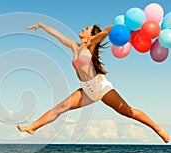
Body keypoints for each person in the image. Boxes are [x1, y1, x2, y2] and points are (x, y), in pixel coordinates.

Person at [17, 22, 169, 143]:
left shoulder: (90, 44)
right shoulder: (74, 46)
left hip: (100, 87)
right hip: (86, 90)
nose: (83, 28)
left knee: (128, 112)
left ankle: (157, 128)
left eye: (87, 28)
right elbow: (57, 35)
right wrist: (42, 25)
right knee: (61, 107)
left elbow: (107, 31)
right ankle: (33, 127)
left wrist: (118, 28)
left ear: (90, 35)